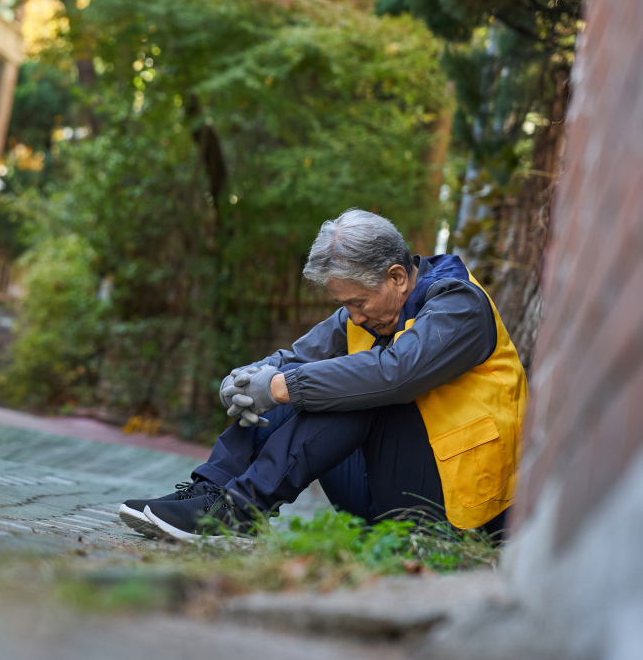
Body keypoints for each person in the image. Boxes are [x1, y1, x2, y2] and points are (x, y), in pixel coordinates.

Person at [119, 209, 527, 541]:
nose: (354, 315)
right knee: (296, 379)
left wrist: (280, 386)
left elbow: (395, 374)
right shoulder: (368, 312)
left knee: (354, 386)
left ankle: (241, 510)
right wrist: (248, 378)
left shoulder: (460, 305)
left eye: (358, 302)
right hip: (387, 495)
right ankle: (212, 493)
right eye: (345, 303)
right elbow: (294, 359)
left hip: (464, 507)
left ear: (397, 277)